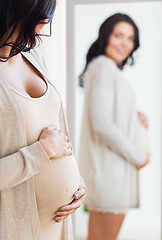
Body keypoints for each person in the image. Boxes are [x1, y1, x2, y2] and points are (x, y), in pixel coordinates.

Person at [0, 1, 87, 240]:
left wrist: (76, 183)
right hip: (15, 227)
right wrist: (41, 152)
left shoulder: (35, 56)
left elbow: (57, 133)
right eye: (43, 14)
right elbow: (47, 147)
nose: (46, 22)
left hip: (57, 223)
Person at [78, 13, 150, 240]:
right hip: (110, 177)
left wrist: (133, 115)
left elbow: (106, 115)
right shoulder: (103, 67)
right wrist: (138, 157)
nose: (124, 43)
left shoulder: (107, 69)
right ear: (106, 36)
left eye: (130, 38)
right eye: (118, 35)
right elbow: (102, 124)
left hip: (113, 176)